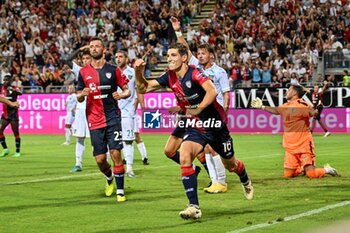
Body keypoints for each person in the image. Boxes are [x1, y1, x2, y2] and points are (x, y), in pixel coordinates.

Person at [134, 43, 253, 220]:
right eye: (168, 56)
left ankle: (245, 179)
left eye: (173, 55)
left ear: (183, 58)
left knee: (231, 165)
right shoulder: (169, 76)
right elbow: (143, 88)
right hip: (195, 125)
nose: (169, 59)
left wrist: (198, 108)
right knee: (184, 155)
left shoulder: (195, 72)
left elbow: (212, 91)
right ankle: (194, 207)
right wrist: (138, 72)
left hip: (215, 125)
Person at [171, 17, 229, 194]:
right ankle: (215, 181)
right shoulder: (196, 68)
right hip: (201, 114)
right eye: (199, 53)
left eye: (203, 53)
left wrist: (224, 113)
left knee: (212, 147)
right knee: (204, 148)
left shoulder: (219, 72)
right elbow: (185, 50)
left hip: (215, 113)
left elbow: (225, 93)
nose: (200, 55)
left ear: (211, 55)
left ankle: (221, 181)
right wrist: (177, 30)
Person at [77, 37, 131, 202]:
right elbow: (79, 96)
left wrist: (121, 94)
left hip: (113, 117)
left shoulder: (114, 70)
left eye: (97, 46)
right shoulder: (83, 72)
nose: (93, 48)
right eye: (91, 46)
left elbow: (127, 90)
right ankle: (109, 178)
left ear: (103, 49)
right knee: (100, 160)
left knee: (115, 153)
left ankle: (120, 192)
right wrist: (81, 95)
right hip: (94, 120)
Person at [251, 85, 339, 179]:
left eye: (289, 90)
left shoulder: (302, 105)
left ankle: (327, 170)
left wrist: (318, 109)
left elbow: (313, 113)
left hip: (303, 145)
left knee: (311, 174)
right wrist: (262, 106)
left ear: (294, 93)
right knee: (288, 175)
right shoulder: (286, 106)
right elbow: (276, 110)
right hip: (290, 147)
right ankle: (302, 168)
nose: (287, 91)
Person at [115, 50, 149, 177]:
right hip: (113, 111)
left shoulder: (133, 73)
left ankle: (129, 168)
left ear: (126, 58)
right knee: (112, 141)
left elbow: (140, 89)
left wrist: (139, 104)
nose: (118, 59)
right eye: (116, 57)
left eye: (120, 56)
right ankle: (115, 167)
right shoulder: (113, 72)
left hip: (127, 112)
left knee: (128, 140)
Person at [63, 47, 92, 172]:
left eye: (87, 58)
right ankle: (78, 163)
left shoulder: (99, 71)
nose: (85, 61)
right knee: (80, 137)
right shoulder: (80, 70)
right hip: (81, 109)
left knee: (99, 138)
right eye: (83, 59)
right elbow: (67, 59)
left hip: (94, 108)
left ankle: (106, 161)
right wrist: (80, 49)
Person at [0, 75, 21, 157]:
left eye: (6, 80)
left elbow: (20, 93)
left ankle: (17, 151)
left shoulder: (14, 88)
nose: (4, 82)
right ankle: (6, 149)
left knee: (15, 133)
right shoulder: (1, 88)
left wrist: (13, 90)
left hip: (13, 114)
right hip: (5, 114)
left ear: (9, 81)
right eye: (3, 80)